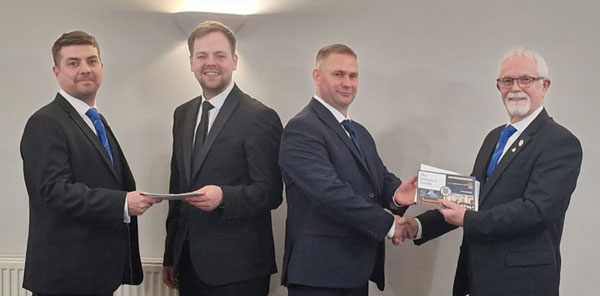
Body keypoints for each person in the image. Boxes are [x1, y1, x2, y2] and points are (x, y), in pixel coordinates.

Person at [395, 47, 583, 296]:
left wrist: (468, 219)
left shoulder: (559, 142)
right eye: (507, 80)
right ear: (498, 87)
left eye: (525, 79)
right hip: (476, 278)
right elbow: (470, 200)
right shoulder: (494, 137)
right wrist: (418, 225)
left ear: (544, 85)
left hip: (523, 283)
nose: (515, 88)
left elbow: (537, 211)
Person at [20, 31, 160, 296]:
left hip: (94, 275)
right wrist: (122, 203)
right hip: (65, 279)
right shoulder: (46, 122)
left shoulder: (95, 120)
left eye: (92, 61)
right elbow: (53, 192)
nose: (85, 69)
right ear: (56, 72)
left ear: (102, 67)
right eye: (73, 63)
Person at [279, 44, 417, 296]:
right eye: (338, 74)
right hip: (318, 274)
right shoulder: (301, 129)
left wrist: (397, 195)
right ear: (317, 76)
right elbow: (329, 193)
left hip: (354, 269)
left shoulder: (359, 132)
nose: (347, 83)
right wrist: (388, 223)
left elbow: (378, 178)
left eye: (353, 76)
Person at [161, 21, 283, 296]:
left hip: (240, 271)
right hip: (188, 264)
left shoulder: (259, 117)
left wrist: (223, 197)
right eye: (201, 56)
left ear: (234, 61)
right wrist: (171, 254)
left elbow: (271, 193)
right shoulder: (182, 115)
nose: (210, 63)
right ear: (191, 62)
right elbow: (177, 187)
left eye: (219, 55)